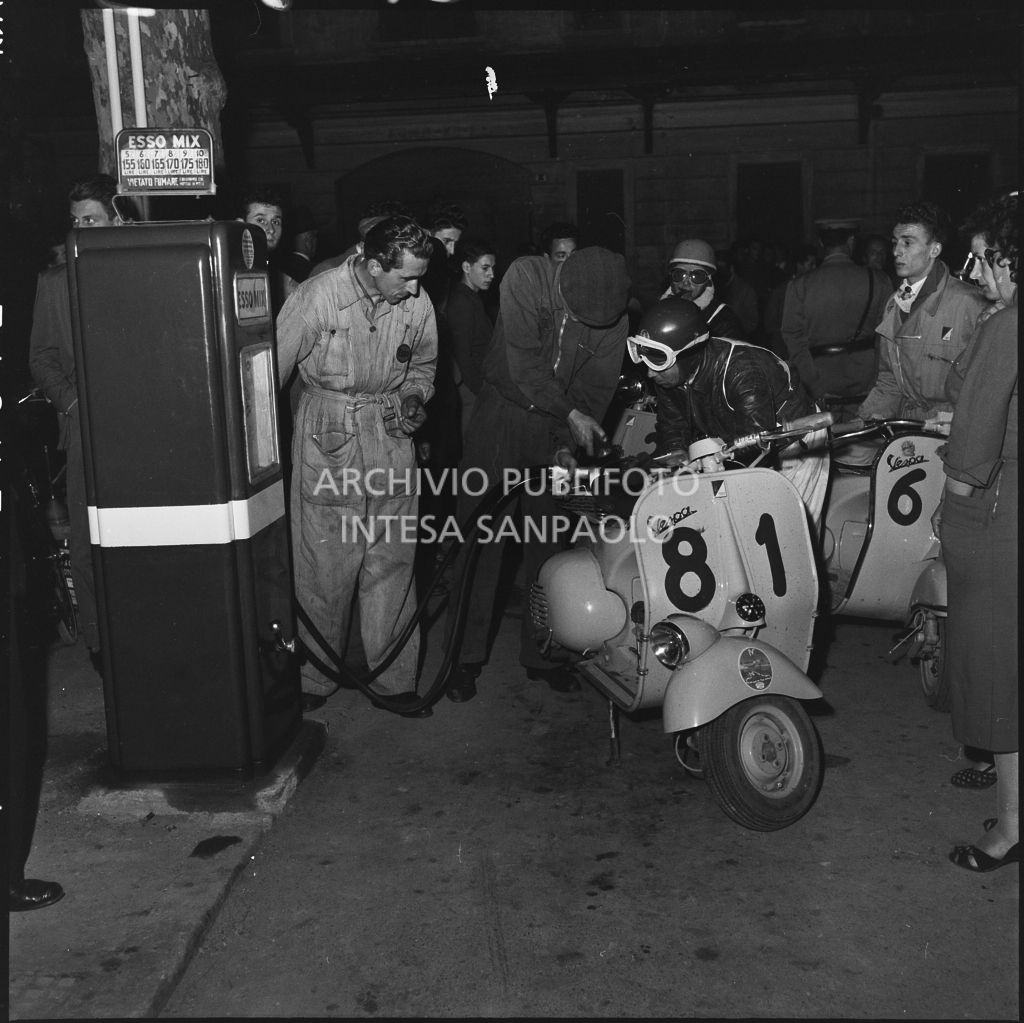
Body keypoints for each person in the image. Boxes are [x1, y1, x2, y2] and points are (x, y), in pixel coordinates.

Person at [445, 246, 631, 703]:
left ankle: (543, 653)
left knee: (548, 548)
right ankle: (462, 659)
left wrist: (567, 446)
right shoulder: (526, 276)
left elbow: (595, 389)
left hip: (553, 430)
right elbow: (523, 368)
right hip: (501, 416)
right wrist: (571, 416)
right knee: (481, 543)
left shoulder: (613, 317)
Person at [275, 216, 437, 716]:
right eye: (405, 278)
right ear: (372, 265)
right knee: (325, 565)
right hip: (329, 439)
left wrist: (413, 397)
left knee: (392, 562)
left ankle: (394, 679)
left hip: (390, 438)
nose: (415, 289)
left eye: (419, 278)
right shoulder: (316, 298)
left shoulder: (417, 301)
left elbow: (424, 366)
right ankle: (313, 678)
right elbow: (265, 380)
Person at [935, 192, 1018, 872]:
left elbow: (973, 433)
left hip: (998, 514)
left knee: (996, 677)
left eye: (989, 261)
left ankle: (1012, 827)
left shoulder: (1008, 324)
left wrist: (950, 511)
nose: (981, 274)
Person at [29, 173, 134, 674]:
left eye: (90, 219)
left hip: (144, 431)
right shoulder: (54, 284)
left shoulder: (145, 273)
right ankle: (99, 643)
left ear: (118, 218)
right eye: (75, 222)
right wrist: (72, 405)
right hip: (84, 431)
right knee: (89, 544)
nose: (80, 229)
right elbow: (43, 358)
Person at [632, 296, 829, 532]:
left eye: (658, 360)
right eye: (646, 357)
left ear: (689, 354)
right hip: (737, 442)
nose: (650, 373)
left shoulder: (742, 370)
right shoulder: (668, 375)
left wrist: (705, 465)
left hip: (794, 443)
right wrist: (669, 466)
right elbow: (672, 428)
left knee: (793, 534)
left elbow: (757, 444)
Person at [857, 201, 986, 423]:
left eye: (907, 243)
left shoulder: (969, 303)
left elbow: (985, 387)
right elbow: (889, 381)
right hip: (908, 429)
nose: (896, 251)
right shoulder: (894, 304)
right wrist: (863, 420)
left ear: (934, 249)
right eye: (895, 242)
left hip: (952, 429)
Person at [781, 219, 891, 422]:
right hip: (867, 383)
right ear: (851, 241)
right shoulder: (878, 280)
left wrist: (813, 385)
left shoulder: (800, 286)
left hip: (821, 383)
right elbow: (886, 338)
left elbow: (793, 339)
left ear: (822, 244)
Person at [445, 237, 497, 437]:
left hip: (477, 387)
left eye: (492, 268)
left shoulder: (472, 298)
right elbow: (462, 355)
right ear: (467, 267)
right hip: (471, 390)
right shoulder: (462, 302)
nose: (491, 274)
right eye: (485, 268)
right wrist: (482, 393)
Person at [661, 238, 746, 340]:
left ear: (708, 280)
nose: (686, 283)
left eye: (697, 276)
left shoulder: (723, 321)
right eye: (679, 274)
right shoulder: (658, 311)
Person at [762, 243, 818, 358]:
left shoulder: (816, 289)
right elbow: (770, 324)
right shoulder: (782, 291)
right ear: (799, 265)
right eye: (810, 264)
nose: (814, 268)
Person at [714, 248, 759, 337]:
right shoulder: (711, 286)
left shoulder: (745, 290)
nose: (719, 272)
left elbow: (752, 321)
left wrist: (736, 334)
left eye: (722, 268)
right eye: (717, 268)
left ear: (731, 268)